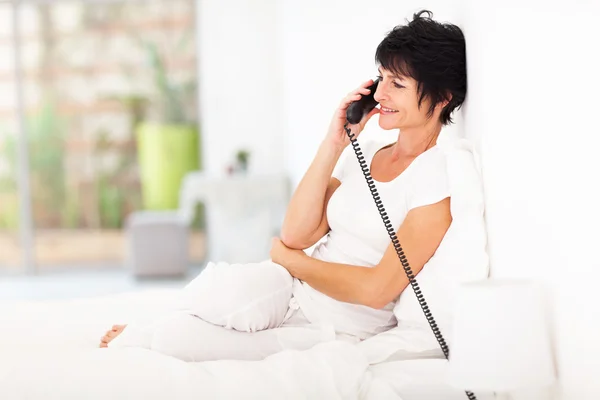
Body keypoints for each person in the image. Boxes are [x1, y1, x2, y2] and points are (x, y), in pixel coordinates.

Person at [100, 9, 467, 362]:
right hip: (290, 287)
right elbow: (296, 233)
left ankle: (148, 334)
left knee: (179, 339)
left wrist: (294, 262)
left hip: (335, 324)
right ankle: (154, 324)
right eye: (381, 77)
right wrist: (334, 143)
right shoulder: (368, 150)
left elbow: (376, 290)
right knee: (223, 288)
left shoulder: (434, 181)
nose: (381, 94)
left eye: (397, 84)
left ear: (442, 98)